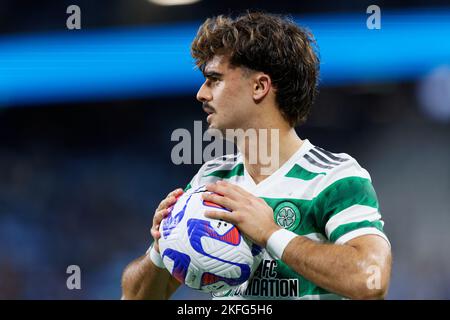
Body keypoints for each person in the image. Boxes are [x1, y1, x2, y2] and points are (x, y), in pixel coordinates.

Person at [121, 11, 392, 300]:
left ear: (260, 86)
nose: (201, 93)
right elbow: (135, 297)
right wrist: (163, 246)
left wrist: (270, 233)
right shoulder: (210, 179)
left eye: (214, 79)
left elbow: (370, 280)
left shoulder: (335, 177)